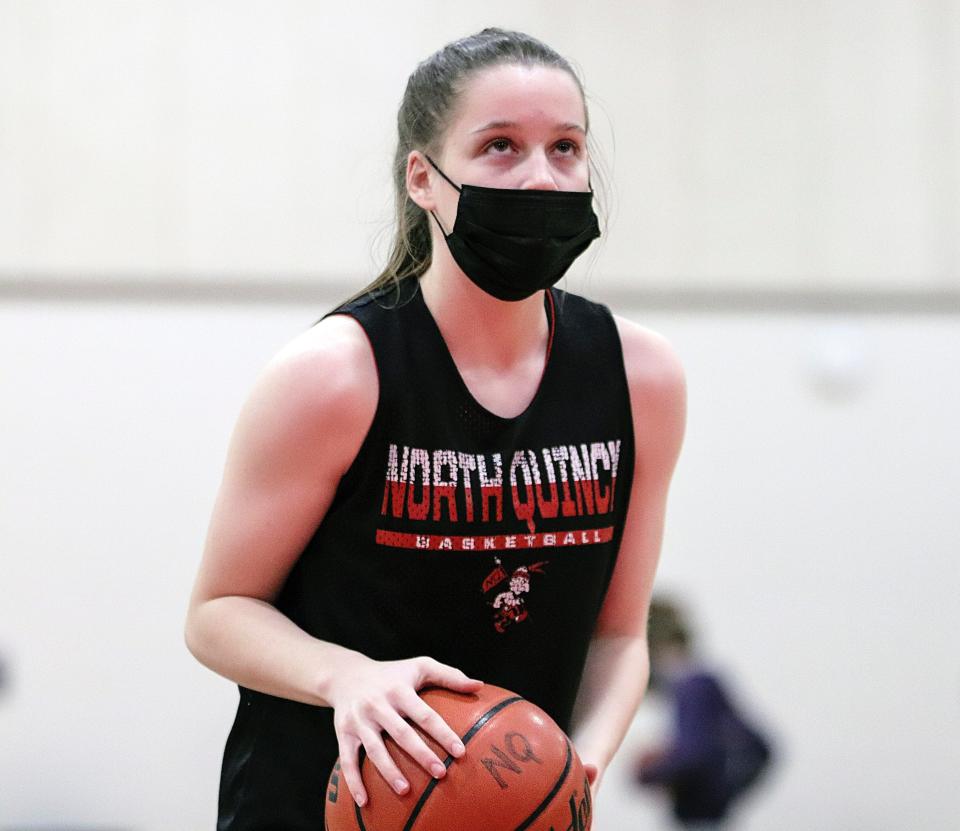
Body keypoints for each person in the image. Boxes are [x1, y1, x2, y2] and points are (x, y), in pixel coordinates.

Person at [184, 27, 686, 830]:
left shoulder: (641, 377)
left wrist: (577, 767)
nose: (539, 176)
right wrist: (343, 676)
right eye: (499, 146)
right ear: (424, 178)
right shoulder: (334, 375)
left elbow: (620, 635)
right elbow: (217, 611)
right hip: (311, 807)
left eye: (565, 147)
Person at [635, 598, 774, 830]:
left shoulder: (691, 686)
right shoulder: (700, 683)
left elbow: (694, 755)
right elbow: (760, 749)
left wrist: (649, 772)